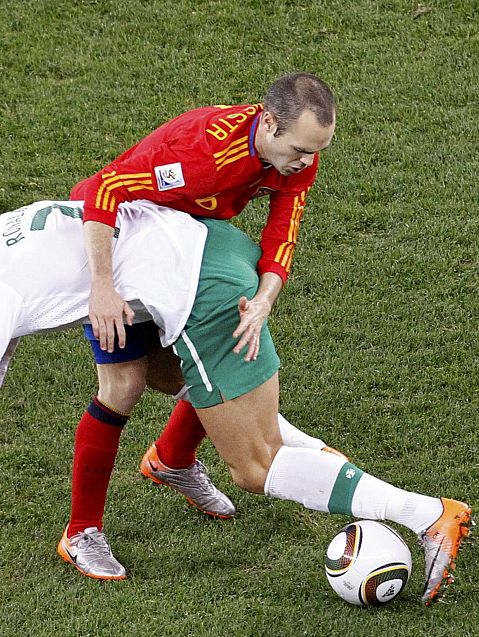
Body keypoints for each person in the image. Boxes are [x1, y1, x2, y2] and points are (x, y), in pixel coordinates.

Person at [0, 201, 472, 605]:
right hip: (133, 277)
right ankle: (92, 524)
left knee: (235, 436)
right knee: (130, 385)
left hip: (173, 284)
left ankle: (410, 505)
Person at [64, 72, 340, 563]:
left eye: (317, 151)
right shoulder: (201, 159)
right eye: (300, 149)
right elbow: (103, 191)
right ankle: (80, 533)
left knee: (212, 357)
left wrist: (264, 300)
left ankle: (172, 459)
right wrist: (102, 289)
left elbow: (283, 233)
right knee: (123, 385)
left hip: (177, 251)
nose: (307, 162)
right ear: (269, 123)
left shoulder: (294, 157)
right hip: (114, 245)